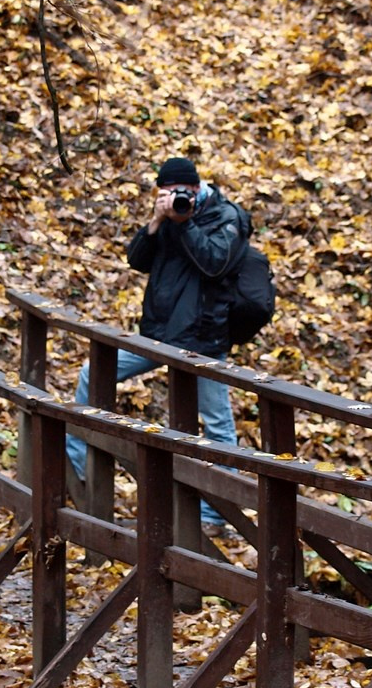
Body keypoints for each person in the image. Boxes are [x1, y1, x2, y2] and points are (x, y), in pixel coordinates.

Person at [67, 156, 251, 531]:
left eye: (181, 192)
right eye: (166, 193)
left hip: (202, 340)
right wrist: (155, 222)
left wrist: (184, 225)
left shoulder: (227, 218)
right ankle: (77, 469)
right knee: (93, 372)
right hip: (159, 336)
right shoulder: (166, 218)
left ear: (197, 189)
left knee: (216, 424)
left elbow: (215, 264)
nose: (175, 198)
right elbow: (137, 261)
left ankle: (218, 513)